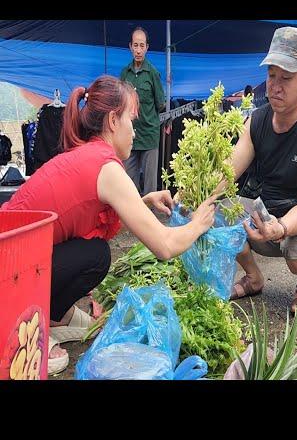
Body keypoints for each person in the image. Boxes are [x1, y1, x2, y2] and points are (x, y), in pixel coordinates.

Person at [1, 76, 217, 375]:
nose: (135, 130)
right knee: (97, 256)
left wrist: (144, 201)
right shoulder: (106, 167)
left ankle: (55, 315)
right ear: (113, 121)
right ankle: (34, 324)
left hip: (13, 261)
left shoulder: (89, 155)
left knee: (95, 254)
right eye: (131, 119)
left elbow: (88, 210)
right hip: (10, 277)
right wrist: (200, 223)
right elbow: (165, 246)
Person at [227, 26, 297, 318]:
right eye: (271, 76)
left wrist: (282, 227)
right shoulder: (256, 120)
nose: (275, 86)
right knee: (218, 212)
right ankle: (253, 278)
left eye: (286, 78)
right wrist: (195, 194)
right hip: (265, 212)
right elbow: (227, 173)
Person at [120, 26, 165, 196]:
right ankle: (132, 220)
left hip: (149, 136)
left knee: (150, 187)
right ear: (130, 46)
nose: (138, 50)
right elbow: (120, 102)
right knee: (128, 184)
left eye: (142, 46)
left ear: (147, 47)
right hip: (129, 136)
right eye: (135, 46)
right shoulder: (125, 74)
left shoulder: (153, 73)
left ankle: (151, 219)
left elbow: (160, 103)